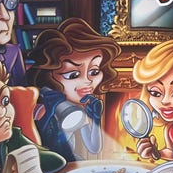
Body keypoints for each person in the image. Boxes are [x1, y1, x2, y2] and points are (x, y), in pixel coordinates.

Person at [27, 18, 121, 161]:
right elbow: (33, 145)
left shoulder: (76, 110)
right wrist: (48, 115)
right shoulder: (40, 109)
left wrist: (96, 119)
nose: (88, 81)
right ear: (50, 76)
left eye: (94, 72)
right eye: (73, 75)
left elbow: (94, 147)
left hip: (69, 164)